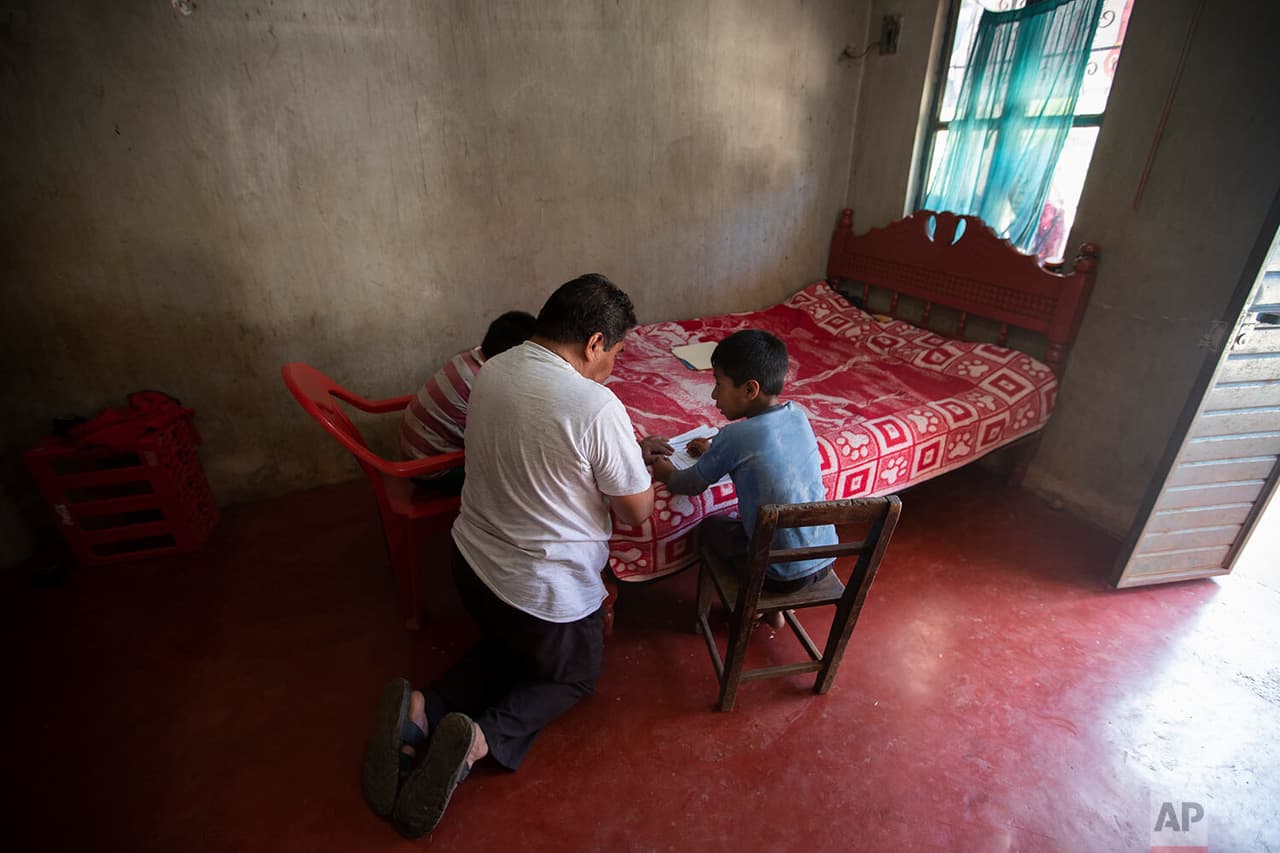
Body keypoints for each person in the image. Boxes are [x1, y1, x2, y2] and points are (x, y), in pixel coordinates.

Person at [363, 274, 655, 838]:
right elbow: (636, 512)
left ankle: (422, 711)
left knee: (509, 647)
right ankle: (477, 740)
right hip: (543, 594)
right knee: (573, 677)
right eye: (614, 354)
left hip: (471, 567)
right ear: (595, 343)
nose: (612, 367)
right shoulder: (596, 405)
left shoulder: (492, 368)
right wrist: (632, 461)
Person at [647, 329, 838, 615]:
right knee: (752, 525)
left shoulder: (735, 437)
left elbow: (689, 484)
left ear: (750, 390)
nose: (713, 395)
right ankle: (776, 613)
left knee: (713, 527)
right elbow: (764, 445)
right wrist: (715, 447)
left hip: (777, 575)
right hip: (824, 557)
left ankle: (758, 605)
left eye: (719, 384)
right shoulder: (797, 413)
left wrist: (663, 471)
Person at [399, 310, 537, 490]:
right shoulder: (486, 384)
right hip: (430, 471)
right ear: (516, 354)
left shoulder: (468, 357)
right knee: (520, 469)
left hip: (415, 454)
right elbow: (504, 439)